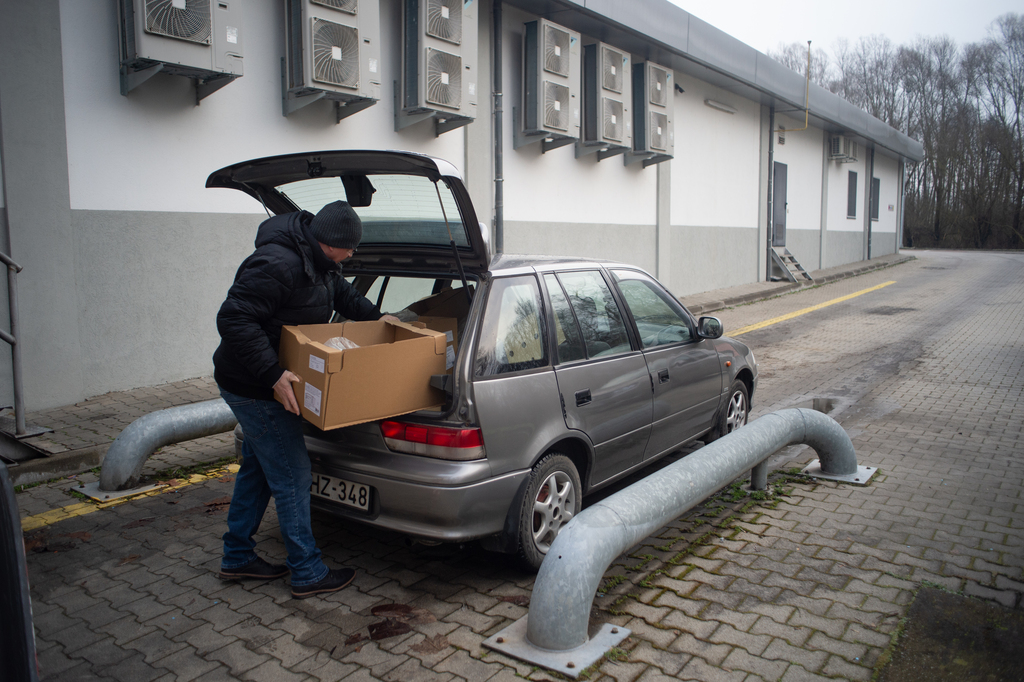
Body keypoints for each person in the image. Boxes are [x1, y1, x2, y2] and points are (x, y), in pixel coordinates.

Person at [212, 200, 397, 599]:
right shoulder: (280, 262)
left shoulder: (319, 261)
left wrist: (377, 319)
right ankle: (307, 570)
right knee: (293, 474)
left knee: (258, 470)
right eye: (351, 249)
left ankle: (237, 556)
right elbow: (233, 318)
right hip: (253, 385)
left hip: (266, 380)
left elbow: (342, 295)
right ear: (331, 244)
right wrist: (274, 375)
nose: (353, 255)